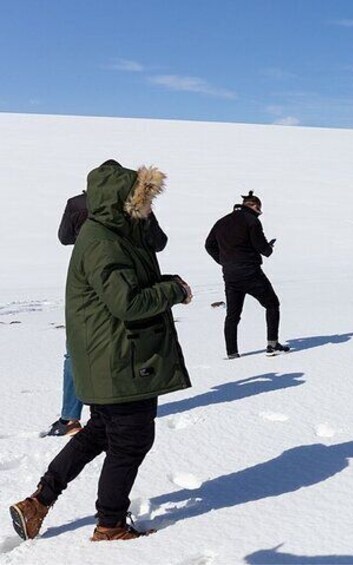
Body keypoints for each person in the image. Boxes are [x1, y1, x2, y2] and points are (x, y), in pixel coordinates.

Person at [10, 160, 192, 542]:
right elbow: (126, 302)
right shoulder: (103, 241)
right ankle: (109, 524)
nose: (147, 206)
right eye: (142, 198)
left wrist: (165, 281)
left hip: (112, 355)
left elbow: (129, 283)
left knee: (99, 433)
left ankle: (38, 501)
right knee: (131, 440)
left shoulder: (113, 232)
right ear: (122, 200)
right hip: (119, 357)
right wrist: (172, 292)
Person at [45, 188, 168, 437]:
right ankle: (114, 407)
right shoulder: (133, 204)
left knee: (78, 350)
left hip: (88, 282)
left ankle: (71, 416)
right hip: (128, 280)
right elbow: (159, 242)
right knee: (128, 345)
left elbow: (64, 237)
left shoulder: (77, 203)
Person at [205, 190, 288, 358]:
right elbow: (262, 249)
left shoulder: (221, 222)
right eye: (260, 210)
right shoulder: (252, 221)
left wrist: (224, 261)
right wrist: (269, 247)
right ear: (255, 206)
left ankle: (232, 352)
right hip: (250, 273)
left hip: (230, 275)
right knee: (272, 304)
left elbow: (209, 245)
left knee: (233, 315)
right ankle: (272, 345)